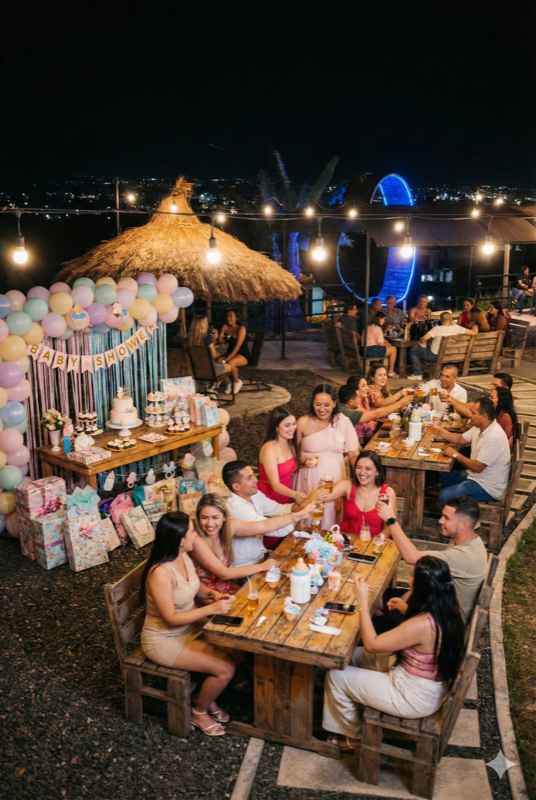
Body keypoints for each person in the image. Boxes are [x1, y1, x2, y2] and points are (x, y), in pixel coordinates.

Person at [322, 556, 465, 751]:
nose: (409, 579)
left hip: (412, 695)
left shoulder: (422, 624)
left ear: (421, 585)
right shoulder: (450, 606)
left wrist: (363, 603)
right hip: (426, 681)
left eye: (412, 576)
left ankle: (353, 737)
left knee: (336, 675)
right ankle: (349, 701)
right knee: (351, 655)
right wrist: (403, 607)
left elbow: (373, 644)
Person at [140, 512, 236, 736]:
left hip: (189, 627)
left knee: (237, 648)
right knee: (225, 669)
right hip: (164, 640)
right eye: (192, 531)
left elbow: (194, 586)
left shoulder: (183, 556)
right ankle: (199, 711)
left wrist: (212, 593)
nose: (196, 535)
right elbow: (170, 618)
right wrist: (210, 609)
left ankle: (206, 695)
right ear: (180, 539)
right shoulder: (161, 574)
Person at [375, 495, 488, 623]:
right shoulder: (468, 541)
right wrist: (409, 595)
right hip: (434, 604)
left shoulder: (464, 555)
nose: (440, 521)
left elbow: (412, 557)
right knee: (374, 598)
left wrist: (391, 520)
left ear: (464, 525)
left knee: (367, 613)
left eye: (446, 518)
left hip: (440, 623)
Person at [222, 461, 315, 566]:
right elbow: (274, 529)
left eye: (254, 475)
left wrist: (304, 501)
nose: (256, 480)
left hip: (260, 558)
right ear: (236, 487)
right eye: (249, 478)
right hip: (243, 566)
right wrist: (304, 509)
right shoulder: (236, 509)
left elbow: (278, 509)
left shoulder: (254, 494)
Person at [295, 384, 360, 528]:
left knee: (330, 518)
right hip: (307, 479)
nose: (322, 409)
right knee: (306, 518)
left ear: (334, 403)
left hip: (334, 481)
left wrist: (362, 474)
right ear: (312, 403)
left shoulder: (343, 422)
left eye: (326, 404)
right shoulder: (303, 422)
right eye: (318, 404)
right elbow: (291, 453)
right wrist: (303, 460)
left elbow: (353, 454)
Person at [192, 494, 280, 600]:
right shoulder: (197, 540)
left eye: (215, 517)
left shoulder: (226, 530)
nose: (210, 523)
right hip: (208, 595)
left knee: (266, 597)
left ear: (224, 517)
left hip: (226, 587)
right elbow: (224, 574)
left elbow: (264, 526)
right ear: (198, 517)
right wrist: (261, 566)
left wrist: (295, 516)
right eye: (204, 518)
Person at [436, 398, 511, 505]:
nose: (470, 415)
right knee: (446, 478)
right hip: (476, 476)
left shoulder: (494, 437)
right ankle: (460, 508)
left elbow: (478, 467)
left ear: (483, 416)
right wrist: (439, 431)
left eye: (473, 413)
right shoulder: (479, 427)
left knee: (444, 495)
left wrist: (455, 454)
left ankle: (457, 518)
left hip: (488, 486)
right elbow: (461, 439)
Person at [318, 450, 396, 538]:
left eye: (368, 469)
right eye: (359, 467)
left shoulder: (387, 493)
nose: (362, 472)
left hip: (373, 546)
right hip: (345, 543)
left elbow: (389, 528)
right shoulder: (347, 485)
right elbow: (323, 497)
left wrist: (376, 542)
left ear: (377, 472)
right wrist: (321, 487)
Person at [258, 406, 305, 505]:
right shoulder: (269, 449)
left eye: (294, 424)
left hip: (286, 497)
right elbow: (275, 484)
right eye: (287, 425)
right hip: (269, 499)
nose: (292, 428)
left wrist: (305, 461)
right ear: (276, 427)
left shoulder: (290, 444)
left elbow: (290, 464)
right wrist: (296, 495)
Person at [408, 311, 476, 380]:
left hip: (436, 356)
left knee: (413, 351)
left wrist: (422, 341)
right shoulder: (457, 328)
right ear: (451, 320)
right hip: (455, 355)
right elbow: (474, 332)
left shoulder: (436, 329)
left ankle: (417, 374)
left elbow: (424, 338)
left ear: (440, 320)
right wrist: (475, 325)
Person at [339, 381, 407, 444]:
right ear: (351, 402)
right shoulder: (346, 413)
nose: (367, 388)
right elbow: (377, 413)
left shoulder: (347, 405)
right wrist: (400, 403)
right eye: (358, 397)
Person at [188, 315, 241, 392]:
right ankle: (233, 383)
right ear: (203, 325)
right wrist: (214, 339)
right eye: (206, 323)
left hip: (197, 370)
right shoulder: (208, 338)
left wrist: (213, 344)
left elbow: (203, 350)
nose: (207, 324)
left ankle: (226, 384)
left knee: (222, 365)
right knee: (232, 368)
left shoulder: (190, 339)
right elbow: (214, 355)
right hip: (211, 370)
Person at [216, 309, 250, 394]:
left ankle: (237, 381)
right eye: (227, 316)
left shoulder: (241, 328)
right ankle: (229, 383)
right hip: (230, 352)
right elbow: (219, 342)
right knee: (218, 362)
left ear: (237, 318)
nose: (228, 318)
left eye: (231, 316)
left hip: (242, 354)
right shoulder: (227, 328)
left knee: (229, 363)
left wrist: (226, 359)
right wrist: (222, 331)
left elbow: (237, 347)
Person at [362, 311, 398, 377]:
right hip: (371, 350)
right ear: (379, 318)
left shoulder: (369, 326)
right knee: (393, 349)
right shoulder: (377, 328)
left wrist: (385, 331)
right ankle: (391, 371)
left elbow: (377, 338)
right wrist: (388, 344)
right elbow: (381, 344)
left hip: (363, 349)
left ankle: (386, 370)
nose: (384, 321)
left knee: (388, 348)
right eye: (383, 319)